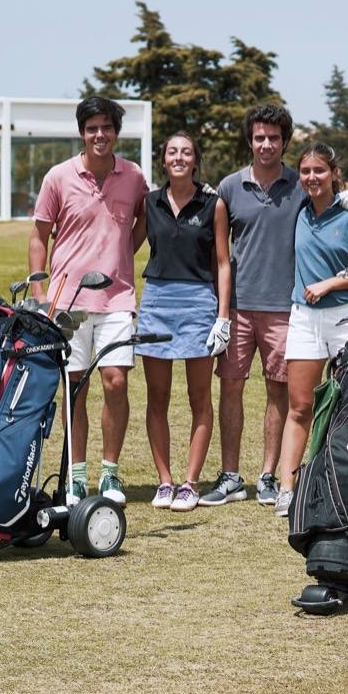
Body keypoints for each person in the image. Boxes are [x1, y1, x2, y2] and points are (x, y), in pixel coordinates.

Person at [198, 105, 348, 508]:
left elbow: (328, 193)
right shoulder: (230, 187)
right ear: (249, 141)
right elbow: (221, 252)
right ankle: (231, 476)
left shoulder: (299, 183)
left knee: (280, 393)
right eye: (259, 137)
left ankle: (269, 476)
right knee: (231, 388)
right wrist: (222, 312)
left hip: (285, 308)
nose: (266, 144)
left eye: (273, 138)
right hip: (238, 307)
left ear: (284, 142)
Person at [29, 95, 148, 505]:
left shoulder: (133, 176)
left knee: (116, 383)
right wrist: (41, 294)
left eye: (107, 127)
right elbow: (38, 236)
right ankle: (76, 476)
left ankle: (110, 474)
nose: (100, 134)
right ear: (82, 133)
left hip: (117, 299)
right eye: (92, 128)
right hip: (66, 301)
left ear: (116, 132)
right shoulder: (59, 177)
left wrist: (120, 259)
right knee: (74, 387)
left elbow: (143, 221)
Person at [274, 141, 348, 516]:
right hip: (304, 318)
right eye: (305, 171)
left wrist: (330, 283)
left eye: (320, 171)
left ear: (335, 174)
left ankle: (338, 483)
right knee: (301, 405)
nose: (311, 178)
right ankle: (288, 487)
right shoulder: (299, 209)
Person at [134, 133, 231, 512]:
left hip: (198, 304)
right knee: (156, 397)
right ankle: (165, 481)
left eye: (185, 152)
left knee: (198, 399)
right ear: (163, 161)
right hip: (157, 301)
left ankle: (190, 483)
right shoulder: (149, 203)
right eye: (172, 152)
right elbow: (127, 247)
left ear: (195, 161)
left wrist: (223, 316)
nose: (178, 157)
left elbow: (223, 263)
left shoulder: (213, 204)